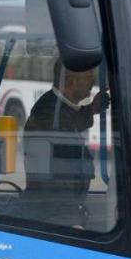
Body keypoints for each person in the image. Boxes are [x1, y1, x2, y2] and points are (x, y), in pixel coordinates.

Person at [21, 60, 107, 225]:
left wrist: (92, 109)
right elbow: (59, 184)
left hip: (56, 208)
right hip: (52, 213)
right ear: (70, 82)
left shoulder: (54, 107)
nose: (93, 81)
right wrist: (69, 221)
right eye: (89, 76)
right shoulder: (49, 116)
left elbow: (69, 121)